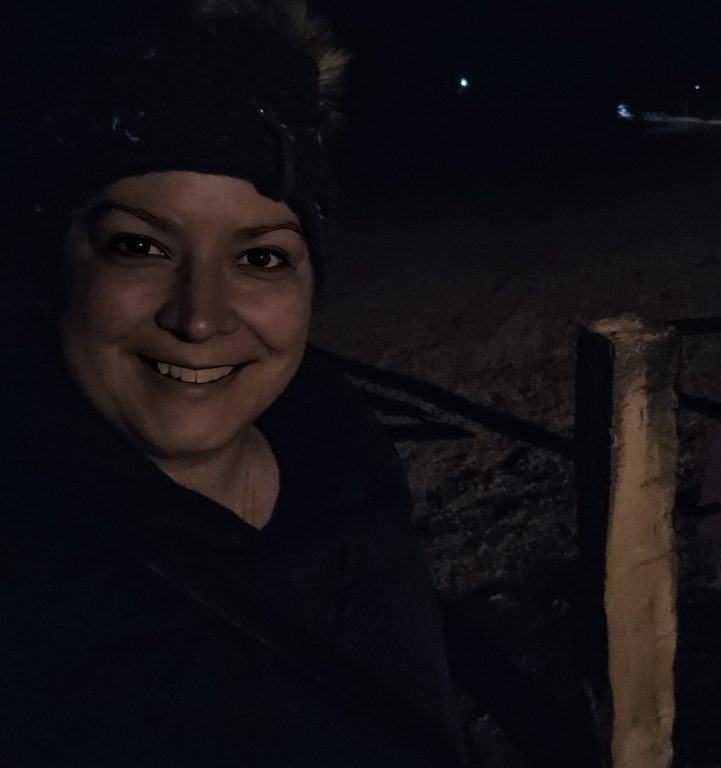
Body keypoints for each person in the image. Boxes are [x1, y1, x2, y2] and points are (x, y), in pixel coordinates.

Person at [0, 1, 464, 765]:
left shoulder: (354, 482)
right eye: (140, 245)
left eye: (261, 258)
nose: (201, 318)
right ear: (56, 265)